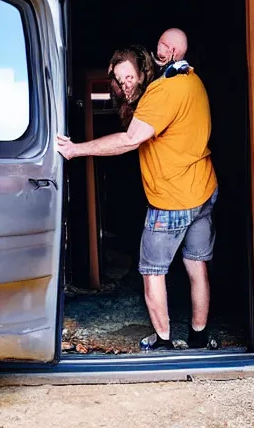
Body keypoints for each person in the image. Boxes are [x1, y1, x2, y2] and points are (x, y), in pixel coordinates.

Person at [57, 28, 218, 350]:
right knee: (197, 265)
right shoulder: (192, 81)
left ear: (166, 54)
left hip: (172, 201)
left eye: (129, 77)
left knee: (152, 272)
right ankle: (199, 336)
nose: (125, 84)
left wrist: (75, 150)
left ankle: (163, 340)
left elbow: (130, 139)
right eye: (119, 79)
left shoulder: (163, 92)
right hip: (203, 191)